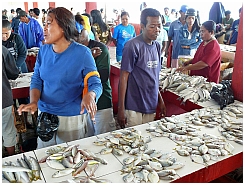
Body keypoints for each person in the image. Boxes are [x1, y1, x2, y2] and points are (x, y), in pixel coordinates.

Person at [17, 7, 102, 149]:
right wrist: (34, 101)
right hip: (45, 115)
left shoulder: (82, 53)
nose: (44, 28)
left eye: (48, 23)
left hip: (71, 118)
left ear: (63, 27)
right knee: (45, 157)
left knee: (70, 161)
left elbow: (95, 82)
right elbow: (37, 79)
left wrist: (90, 95)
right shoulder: (43, 51)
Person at [117, 8, 166, 128]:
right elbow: (123, 78)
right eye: (152, 26)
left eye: (159, 26)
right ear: (142, 26)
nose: (157, 30)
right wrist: (121, 108)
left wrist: (160, 101)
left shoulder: (157, 46)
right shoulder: (132, 46)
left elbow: (154, 77)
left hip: (151, 104)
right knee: (133, 140)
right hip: (134, 106)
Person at [78, 29, 116, 135]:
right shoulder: (73, 51)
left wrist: (88, 60)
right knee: (86, 139)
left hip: (101, 103)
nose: (78, 34)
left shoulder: (100, 49)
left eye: (81, 30)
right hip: (81, 105)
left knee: (104, 137)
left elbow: (103, 77)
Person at [2, 19, 31, 127]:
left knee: (24, 98)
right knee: (11, 100)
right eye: (1, 34)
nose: (4, 36)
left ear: (11, 30)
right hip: (5, 75)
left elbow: (23, 53)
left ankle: (26, 120)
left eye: (6, 33)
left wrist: (15, 66)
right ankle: (15, 122)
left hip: (19, 71)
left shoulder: (16, 38)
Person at [2, 45, 20, 156]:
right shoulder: (2, 50)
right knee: (7, 129)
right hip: (3, 98)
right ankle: (11, 158)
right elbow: (14, 74)